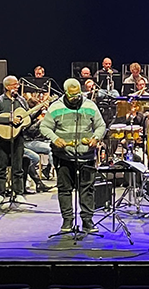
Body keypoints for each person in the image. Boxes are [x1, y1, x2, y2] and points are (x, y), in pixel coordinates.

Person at [40, 79, 106, 233]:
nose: (75, 98)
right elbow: (45, 126)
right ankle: (67, 221)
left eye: (78, 95)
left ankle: (87, 221)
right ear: (65, 93)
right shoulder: (56, 107)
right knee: (64, 189)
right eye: (72, 96)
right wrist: (55, 139)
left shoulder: (90, 106)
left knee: (87, 189)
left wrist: (96, 138)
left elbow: (101, 125)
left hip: (86, 155)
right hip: (64, 156)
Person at [0, 76, 30, 204]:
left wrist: (37, 112)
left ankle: (18, 193)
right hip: (2, 138)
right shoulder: (0, 101)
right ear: (7, 87)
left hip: (18, 138)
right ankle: (0, 193)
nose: (17, 86)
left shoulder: (21, 101)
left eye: (17, 84)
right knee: (2, 167)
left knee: (18, 167)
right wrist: (9, 119)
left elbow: (27, 117)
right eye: (14, 84)